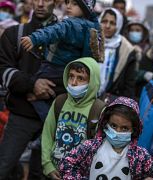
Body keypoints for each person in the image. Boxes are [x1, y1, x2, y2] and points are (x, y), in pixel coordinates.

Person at [0, 0, 58, 178]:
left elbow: (75, 75)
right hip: (20, 115)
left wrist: (46, 92)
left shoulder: (67, 37)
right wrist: (32, 84)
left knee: (41, 173)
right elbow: (3, 69)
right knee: (3, 167)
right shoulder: (14, 33)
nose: (40, 4)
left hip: (52, 119)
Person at [20, 0, 102, 121]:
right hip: (72, 70)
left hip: (53, 67)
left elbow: (53, 31)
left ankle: (49, 121)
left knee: (34, 89)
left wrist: (34, 38)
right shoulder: (93, 26)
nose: (68, 6)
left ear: (85, 8)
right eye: (67, 2)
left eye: (74, 4)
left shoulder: (69, 23)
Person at [59, 96, 153, 179]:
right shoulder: (91, 147)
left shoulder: (140, 156)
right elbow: (66, 163)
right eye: (113, 125)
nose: (117, 131)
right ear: (105, 123)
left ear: (134, 130)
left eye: (124, 128)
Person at [41, 57, 103, 179]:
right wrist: (47, 165)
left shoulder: (99, 109)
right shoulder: (60, 101)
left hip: (81, 174)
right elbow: (47, 135)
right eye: (71, 76)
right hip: (55, 171)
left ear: (92, 82)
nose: (73, 82)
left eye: (80, 78)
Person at [98, 8, 137, 100]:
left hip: (110, 100)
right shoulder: (91, 40)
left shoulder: (127, 49)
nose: (107, 26)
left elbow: (128, 84)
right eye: (104, 21)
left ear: (118, 25)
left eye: (112, 23)